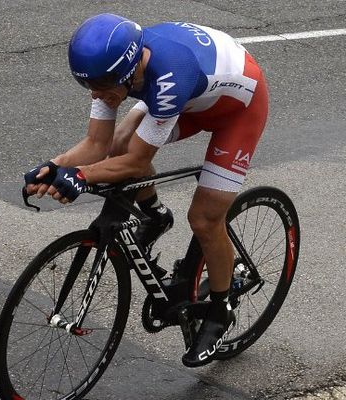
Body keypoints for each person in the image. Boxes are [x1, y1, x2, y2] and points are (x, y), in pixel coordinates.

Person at [23, 13, 268, 367]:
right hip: (191, 99)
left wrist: (81, 176)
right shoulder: (111, 70)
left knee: (204, 218)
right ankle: (153, 216)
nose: (96, 93)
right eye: (87, 85)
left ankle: (220, 310)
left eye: (102, 84)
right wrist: (56, 166)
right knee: (119, 141)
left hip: (237, 112)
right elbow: (97, 143)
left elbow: (138, 163)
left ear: (129, 70)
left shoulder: (168, 76)